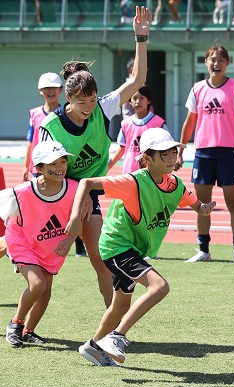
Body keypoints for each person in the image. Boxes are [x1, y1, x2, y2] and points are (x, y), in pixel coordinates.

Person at [66, 128, 216, 366]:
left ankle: (93, 346)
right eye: (162, 152)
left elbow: (197, 205)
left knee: (120, 304)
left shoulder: (174, 184)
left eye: (172, 151)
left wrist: (205, 207)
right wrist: (75, 217)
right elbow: (86, 182)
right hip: (116, 247)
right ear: (147, 157)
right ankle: (116, 336)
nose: (170, 157)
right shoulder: (132, 181)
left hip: (132, 249)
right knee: (160, 287)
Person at [39, 6, 151, 307]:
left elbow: (137, 78)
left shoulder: (104, 107)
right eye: (80, 102)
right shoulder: (50, 126)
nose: (88, 107)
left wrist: (141, 37)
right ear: (68, 98)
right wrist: (79, 192)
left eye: (91, 100)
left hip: (88, 193)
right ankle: (20, 323)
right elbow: (45, 172)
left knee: (102, 261)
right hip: (55, 193)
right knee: (38, 265)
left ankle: (112, 326)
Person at [177, 44, 234, 265]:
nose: (216, 63)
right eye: (212, 59)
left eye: (221, 60)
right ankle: (203, 250)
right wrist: (180, 151)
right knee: (201, 204)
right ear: (206, 62)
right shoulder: (197, 89)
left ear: (227, 63)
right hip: (203, 153)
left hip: (228, 153)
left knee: (233, 204)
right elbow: (189, 121)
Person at [0, 142, 78, 347]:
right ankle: (15, 324)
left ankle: (28, 331)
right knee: (38, 285)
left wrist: (70, 239)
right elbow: (8, 216)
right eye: (52, 162)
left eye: (63, 160)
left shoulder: (75, 189)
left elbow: (78, 221)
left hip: (51, 246)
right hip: (23, 242)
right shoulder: (22, 192)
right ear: (39, 168)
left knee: (46, 292)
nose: (60, 166)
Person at [24, 72, 87, 258]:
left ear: (61, 90)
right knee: (39, 210)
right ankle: (36, 244)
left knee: (69, 208)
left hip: (62, 169)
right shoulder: (34, 114)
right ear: (40, 91)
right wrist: (25, 167)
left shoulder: (67, 113)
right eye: (46, 88)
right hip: (40, 169)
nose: (50, 91)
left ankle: (79, 246)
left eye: (53, 88)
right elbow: (30, 140)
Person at [109, 85, 168, 175]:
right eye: (134, 98)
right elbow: (122, 148)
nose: (137, 102)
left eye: (141, 98)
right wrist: (108, 166)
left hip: (152, 172)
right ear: (130, 102)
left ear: (149, 100)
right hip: (130, 172)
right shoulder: (125, 124)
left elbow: (167, 146)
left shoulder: (158, 123)